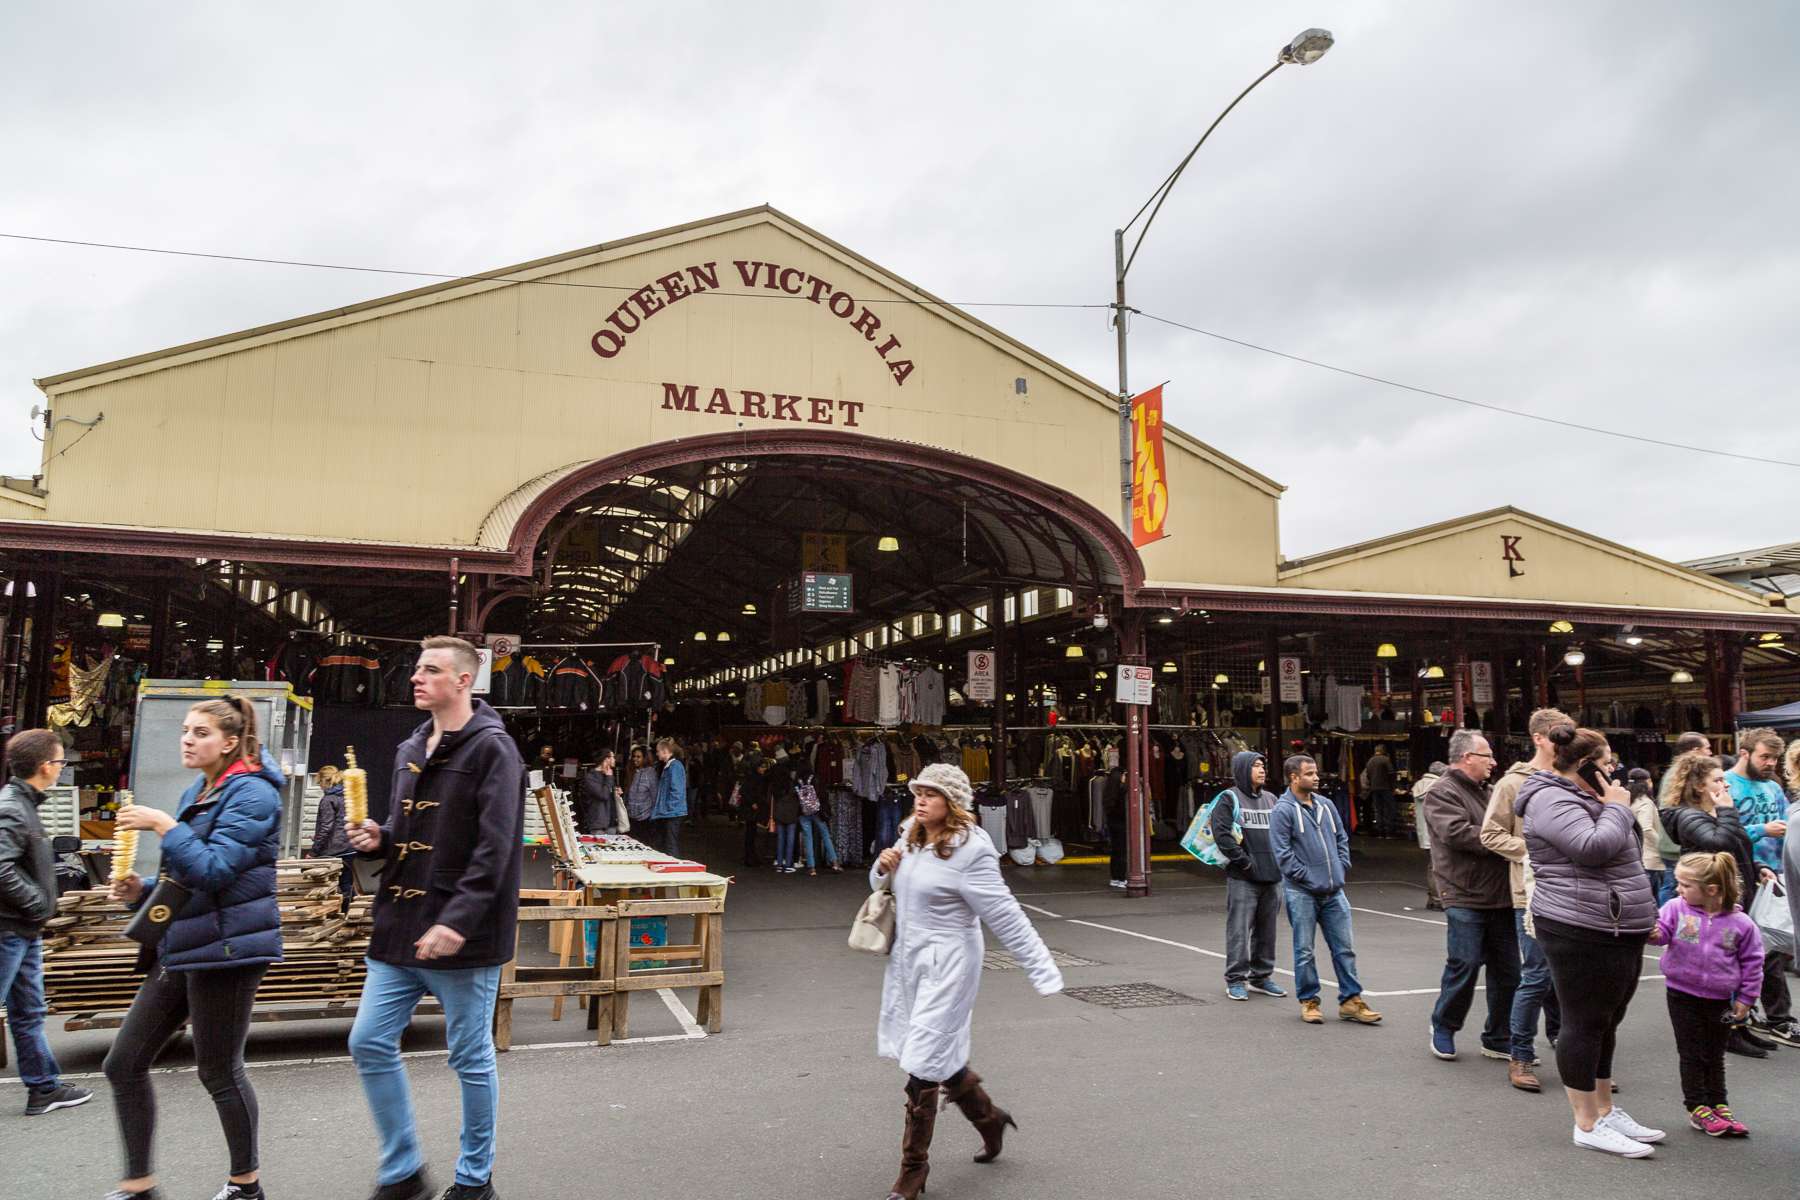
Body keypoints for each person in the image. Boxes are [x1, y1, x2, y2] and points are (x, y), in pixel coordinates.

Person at [346, 636, 525, 1200]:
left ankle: (475, 1180)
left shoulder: (494, 750)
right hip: (399, 925)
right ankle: (402, 1171)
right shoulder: (409, 748)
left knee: (469, 1057)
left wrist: (459, 919)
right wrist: (380, 839)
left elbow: (496, 848)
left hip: (461, 936)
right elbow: (417, 835)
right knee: (368, 1041)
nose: (416, 678)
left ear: (464, 680)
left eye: (431, 670)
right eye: (417, 669)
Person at [104, 697, 285, 1200]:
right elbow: (188, 874)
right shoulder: (204, 788)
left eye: (200, 732)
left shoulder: (254, 794)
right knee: (123, 1063)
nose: (187, 739)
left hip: (229, 949)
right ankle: (138, 1184)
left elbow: (215, 869)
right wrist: (141, 890)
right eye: (185, 730)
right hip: (184, 942)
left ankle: (245, 1186)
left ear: (229, 742)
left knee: (219, 1070)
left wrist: (165, 826)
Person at [871, 762, 1063, 1200]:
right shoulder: (911, 833)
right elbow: (884, 887)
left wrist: (1040, 966)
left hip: (951, 962)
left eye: (932, 794)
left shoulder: (971, 850)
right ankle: (990, 1119)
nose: (920, 799)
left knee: (921, 1063)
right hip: (910, 959)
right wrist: (882, 867)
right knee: (940, 1056)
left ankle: (912, 1171)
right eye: (918, 791)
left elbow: (1006, 915)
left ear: (952, 803)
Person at [1515, 722, 1663, 1158]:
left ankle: (1605, 1109)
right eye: (1607, 763)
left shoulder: (1587, 797)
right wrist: (1617, 808)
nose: (1615, 772)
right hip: (1578, 925)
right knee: (1582, 1022)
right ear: (1585, 765)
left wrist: (1612, 806)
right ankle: (1586, 1122)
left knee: (1606, 1021)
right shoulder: (1548, 798)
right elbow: (1592, 848)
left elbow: (1627, 851)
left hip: (1614, 923)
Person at [1659, 751, 1779, 1059]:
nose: (1724, 786)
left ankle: (1739, 1025)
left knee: (1740, 958)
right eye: (1717, 780)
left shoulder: (1711, 811)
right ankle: (1729, 1030)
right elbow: (1717, 843)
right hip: (1707, 900)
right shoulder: (1686, 814)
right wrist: (1727, 810)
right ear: (1698, 785)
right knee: (1723, 958)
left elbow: (1737, 843)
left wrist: (1756, 864)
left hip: (1730, 890)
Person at [0, 729, 92, 1117]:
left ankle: (43, 1088)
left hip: (23, 929)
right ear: (45, 766)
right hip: (8, 928)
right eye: (60, 762)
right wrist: (37, 902)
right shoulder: (12, 807)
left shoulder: (25, 803)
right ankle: (44, 1087)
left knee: (30, 1012)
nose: (61, 768)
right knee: (25, 1011)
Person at [1480, 706, 1567, 1091]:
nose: (1565, 742)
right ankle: (1521, 1055)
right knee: (1536, 975)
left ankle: (1569, 1052)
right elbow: (1490, 833)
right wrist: (1531, 850)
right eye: (1558, 735)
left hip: (1572, 892)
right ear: (1539, 738)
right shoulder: (1512, 783)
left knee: (1566, 978)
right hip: (1529, 892)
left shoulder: (1573, 778)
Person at [1649, 852, 1763, 1137]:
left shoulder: (1741, 923)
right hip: (1681, 994)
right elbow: (1661, 933)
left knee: (1715, 1053)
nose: (1678, 890)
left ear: (1711, 890)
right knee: (1691, 1052)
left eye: (1685, 885)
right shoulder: (1676, 908)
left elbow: (1752, 962)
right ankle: (1697, 1107)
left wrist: (1746, 999)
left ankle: (1719, 1103)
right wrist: (1651, 932)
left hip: (1721, 999)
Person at [1424, 730, 1518, 1065]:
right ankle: (1444, 1026)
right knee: (1464, 963)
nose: (1493, 762)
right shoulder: (1442, 793)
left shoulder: (1490, 792)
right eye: (1487, 756)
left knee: (1509, 971)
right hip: (1462, 892)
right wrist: (1504, 840)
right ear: (1467, 758)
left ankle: (1498, 1036)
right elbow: (1457, 833)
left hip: (1501, 894)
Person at [1269, 754, 1382, 1027]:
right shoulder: (1283, 811)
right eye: (1309, 773)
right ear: (1294, 777)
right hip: (1302, 892)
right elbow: (1283, 855)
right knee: (1304, 950)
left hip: (1334, 891)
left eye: (1315, 772)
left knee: (1345, 949)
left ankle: (1351, 1001)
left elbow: (1342, 838)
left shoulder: (1327, 805)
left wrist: (1341, 866)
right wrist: (1308, 877)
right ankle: (1309, 1001)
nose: (1316, 777)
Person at [1724, 729, 1797, 1048]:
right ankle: (1739, 1018)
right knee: (1740, 949)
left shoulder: (1773, 786)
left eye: (1775, 759)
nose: (1770, 764)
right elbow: (1721, 828)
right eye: (1764, 757)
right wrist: (1761, 830)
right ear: (1744, 752)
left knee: (1773, 947)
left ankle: (1776, 1017)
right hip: (1737, 875)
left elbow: (1786, 821)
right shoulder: (1726, 783)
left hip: (1774, 875)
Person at [1212, 750, 1286, 1001]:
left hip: (1273, 877)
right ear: (1243, 770)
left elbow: (1283, 833)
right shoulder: (1229, 798)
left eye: (1263, 765)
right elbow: (1221, 834)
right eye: (1256, 766)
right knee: (1239, 931)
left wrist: (1282, 864)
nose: (1262, 770)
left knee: (1268, 931)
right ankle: (1235, 979)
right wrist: (1244, 862)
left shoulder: (1272, 799)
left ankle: (1261, 976)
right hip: (1243, 878)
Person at [1656, 734, 1712, 904]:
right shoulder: (1682, 775)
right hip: (1677, 845)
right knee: (1675, 887)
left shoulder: (1675, 772)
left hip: (1674, 843)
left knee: (1673, 886)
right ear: (1695, 750)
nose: (1710, 753)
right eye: (1707, 748)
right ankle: (1665, 922)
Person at [311, 764, 357, 912]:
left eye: (319, 783)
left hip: (335, 851)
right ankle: (350, 916)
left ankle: (338, 919)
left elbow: (326, 827)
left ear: (325, 781)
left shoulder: (328, 800)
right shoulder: (348, 797)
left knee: (329, 887)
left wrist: (313, 852)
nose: (319, 786)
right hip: (350, 847)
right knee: (348, 885)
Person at [795, 756, 841, 875]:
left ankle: (812, 868)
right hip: (817, 811)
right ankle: (835, 863)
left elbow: (795, 797)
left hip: (803, 812)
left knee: (808, 838)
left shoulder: (797, 780)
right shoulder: (815, 778)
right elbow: (822, 795)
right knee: (825, 835)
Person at [1411, 761, 1446, 910]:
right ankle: (1438, 898)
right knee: (1438, 867)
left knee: (1432, 865)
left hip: (1424, 832)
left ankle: (1433, 898)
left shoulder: (1419, 785)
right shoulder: (1439, 787)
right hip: (1436, 832)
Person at [1626, 768, 1665, 901]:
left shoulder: (1629, 800)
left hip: (1636, 854)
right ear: (1648, 781)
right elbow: (1646, 828)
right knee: (1655, 897)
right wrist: (1662, 845)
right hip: (1650, 857)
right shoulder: (1645, 803)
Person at [650, 737, 687, 858]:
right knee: (668, 842)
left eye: (658, 751)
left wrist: (668, 808)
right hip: (671, 812)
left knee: (670, 843)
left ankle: (673, 868)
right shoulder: (671, 766)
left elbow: (677, 790)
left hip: (672, 813)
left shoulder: (674, 766)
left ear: (665, 751)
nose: (657, 754)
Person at [769, 752, 801, 873]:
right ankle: (788, 864)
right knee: (790, 838)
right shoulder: (792, 783)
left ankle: (779, 862)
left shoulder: (776, 784)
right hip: (791, 812)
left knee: (781, 838)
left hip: (779, 811)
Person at [575, 751, 619, 835]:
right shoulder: (591, 777)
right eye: (613, 757)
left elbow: (608, 794)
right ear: (606, 759)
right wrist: (609, 778)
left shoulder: (609, 774)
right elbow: (603, 795)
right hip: (598, 824)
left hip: (611, 822)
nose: (615, 760)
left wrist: (616, 791)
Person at [739, 752, 770, 867]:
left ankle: (750, 856)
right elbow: (746, 791)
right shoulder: (754, 778)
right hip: (751, 808)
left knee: (751, 833)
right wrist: (752, 802)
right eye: (762, 767)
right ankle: (750, 857)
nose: (764, 769)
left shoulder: (753, 777)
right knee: (750, 833)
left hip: (750, 807)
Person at [1100, 761, 1127, 889]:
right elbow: (1123, 809)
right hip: (1122, 824)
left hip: (1113, 824)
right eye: (1124, 775)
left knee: (1116, 851)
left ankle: (1115, 877)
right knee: (1122, 851)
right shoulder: (1122, 791)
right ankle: (1121, 877)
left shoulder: (1109, 792)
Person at [1360, 744, 1397, 837]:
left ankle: (1380, 831)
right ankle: (1389, 831)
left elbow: (1367, 775)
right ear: (1383, 750)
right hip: (1386, 787)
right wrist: (1393, 785)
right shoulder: (1385, 759)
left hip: (1374, 788)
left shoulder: (1370, 761)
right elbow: (1391, 773)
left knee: (1378, 809)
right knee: (1389, 809)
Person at [624, 746, 657, 833]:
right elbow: (627, 793)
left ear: (645, 758)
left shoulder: (650, 773)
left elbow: (654, 795)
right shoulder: (631, 771)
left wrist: (653, 816)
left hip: (645, 817)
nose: (635, 759)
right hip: (631, 816)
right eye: (634, 756)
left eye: (638, 757)